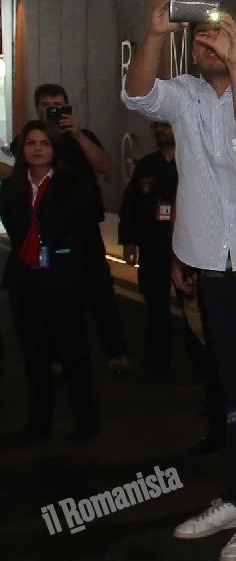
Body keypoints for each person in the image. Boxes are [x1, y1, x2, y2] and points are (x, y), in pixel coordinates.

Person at [122, 0, 236, 561]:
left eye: (220, 36)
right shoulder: (185, 98)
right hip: (212, 266)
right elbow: (137, 93)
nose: (208, 45)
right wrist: (155, 33)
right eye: (200, 39)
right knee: (232, 389)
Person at [1, 123, 100, 443]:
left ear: (55, 148)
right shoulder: (13, 186)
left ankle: (84, 423)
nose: (38, 149)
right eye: (31, 143)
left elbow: (82, 231)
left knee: (73, 353)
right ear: (22, 149)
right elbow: (14, 228)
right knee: (33, 356)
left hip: (63, 278)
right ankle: (38, 423)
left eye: (44, 142)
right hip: (25, 279)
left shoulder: (73, 184)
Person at [23, 84, 129, 372]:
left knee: (100, 290)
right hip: (48, 232)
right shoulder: (31, 140)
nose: (52, 110)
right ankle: (56, 354)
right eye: (46, 105)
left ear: (68, 107)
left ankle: (115, 349)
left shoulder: (81, 137)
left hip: (84, 229)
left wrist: (78, 134)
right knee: (52, 295)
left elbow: (105, 166)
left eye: (58, 105)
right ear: (37, 108)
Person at [118, 122, 180, 374]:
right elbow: (130, 204)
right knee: (155, 304)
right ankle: (156, 362)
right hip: (153, 245)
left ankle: (203, 365)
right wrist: (129, 240)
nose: (159, 130)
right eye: (155, 126)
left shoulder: (192, 162)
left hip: (185, 247)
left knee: (194, 307)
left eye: (165, 125)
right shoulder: (146, 165)